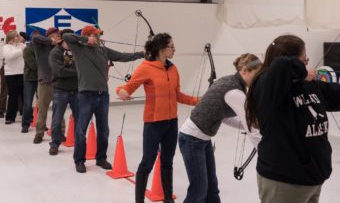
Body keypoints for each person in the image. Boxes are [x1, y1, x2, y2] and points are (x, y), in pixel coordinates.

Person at [245, 35, 340, 203]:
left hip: (312, 179)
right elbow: (281, 65)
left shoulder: (306, 84)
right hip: (284, 181)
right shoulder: (267, 86)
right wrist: (303, 71)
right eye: (304, 60)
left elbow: (334, 93)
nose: (306, 65)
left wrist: (303, 74)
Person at [117, 33, 199, 203]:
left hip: (171, 122)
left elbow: (177, 94)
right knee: (147, 162)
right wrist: (122, 92)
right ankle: (139, 200)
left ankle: (167, 198)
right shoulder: (146, 67)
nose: (174, 49)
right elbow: (127, 87)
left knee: (167, 162)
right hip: (153, 123)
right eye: (171, 46)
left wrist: (197, 101)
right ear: (162, 49)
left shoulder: (173, 68)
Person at [178, 53, 262, 203]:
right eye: (257, 74)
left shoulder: (231, 83)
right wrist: (265, 152)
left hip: (201, 140)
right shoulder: (234, 91)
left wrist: (253, 124)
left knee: (211, 190)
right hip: (192, 139)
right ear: (244, 71)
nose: (258, 79)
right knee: (198, 191)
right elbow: (251, 126)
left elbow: (225, 116)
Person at [63, 25, 145, 173]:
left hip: (103, 95)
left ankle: (101, 158)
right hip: (86, 95)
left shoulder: (103, 50)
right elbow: (66, 37)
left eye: (99, 35)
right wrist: (86, 40)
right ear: (89, 36)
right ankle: (79, 160)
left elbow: (122, 56)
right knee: (81, 130)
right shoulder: (79, 48)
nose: (99, 38)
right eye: (96, 35)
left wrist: (142, 53)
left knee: (104, 130)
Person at [32, 27, 65, 143]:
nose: (58, 38)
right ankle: (39, 134)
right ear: (49, 36)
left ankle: (60, 133)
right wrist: (51, 41)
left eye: (59, 36)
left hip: (58, 83)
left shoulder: (60, 48)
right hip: (45, 82)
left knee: (59, 109)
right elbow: (34, 37)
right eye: (55, 36)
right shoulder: (40, 45)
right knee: (42, 110)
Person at [48, 29, 78, 155]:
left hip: (77, 90)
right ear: (63, 40)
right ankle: (55, 143)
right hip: (60, 90)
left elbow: (82, 66)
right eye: (69, 40)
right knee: (57, 119)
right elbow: (59, 72)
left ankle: (80, 142)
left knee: (80, 118)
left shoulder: (77, 51)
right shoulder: (55, 52)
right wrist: (78, 72)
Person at [3, 30, 25, 124]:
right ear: (11, 38)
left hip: (23, 73)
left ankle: (27, 116)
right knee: (13, 96)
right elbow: (10, 56)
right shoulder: (6, 47)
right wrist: (21, 51)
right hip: (11, 74)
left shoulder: (22, 45)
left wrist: (21, 47)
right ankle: (10, 117)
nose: (18, 37)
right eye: (16, 36)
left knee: (25, 96)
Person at [21, 30, 40, 133]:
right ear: (32, 38)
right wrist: (44, 65)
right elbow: (33, 65)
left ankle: (41, 124)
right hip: (30, 79)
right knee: (28, 103)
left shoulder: (42, 49)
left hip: (41, 78)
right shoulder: (27, 50)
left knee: (41, 103)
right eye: (35, 38)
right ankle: (25, 124)